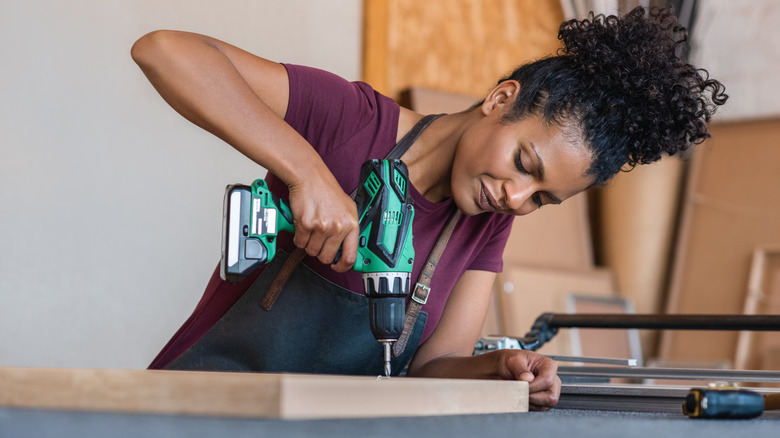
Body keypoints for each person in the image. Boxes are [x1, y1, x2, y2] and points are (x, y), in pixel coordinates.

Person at [131, 6, 726, 410]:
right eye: (524, 164)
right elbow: (165, 51)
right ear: (501, 99)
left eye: (542, 199)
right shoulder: (351, 121)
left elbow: (433, 366)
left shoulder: (485, 226)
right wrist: (307, 173)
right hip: (201, 409)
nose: (516, 200)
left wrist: (503, 369)